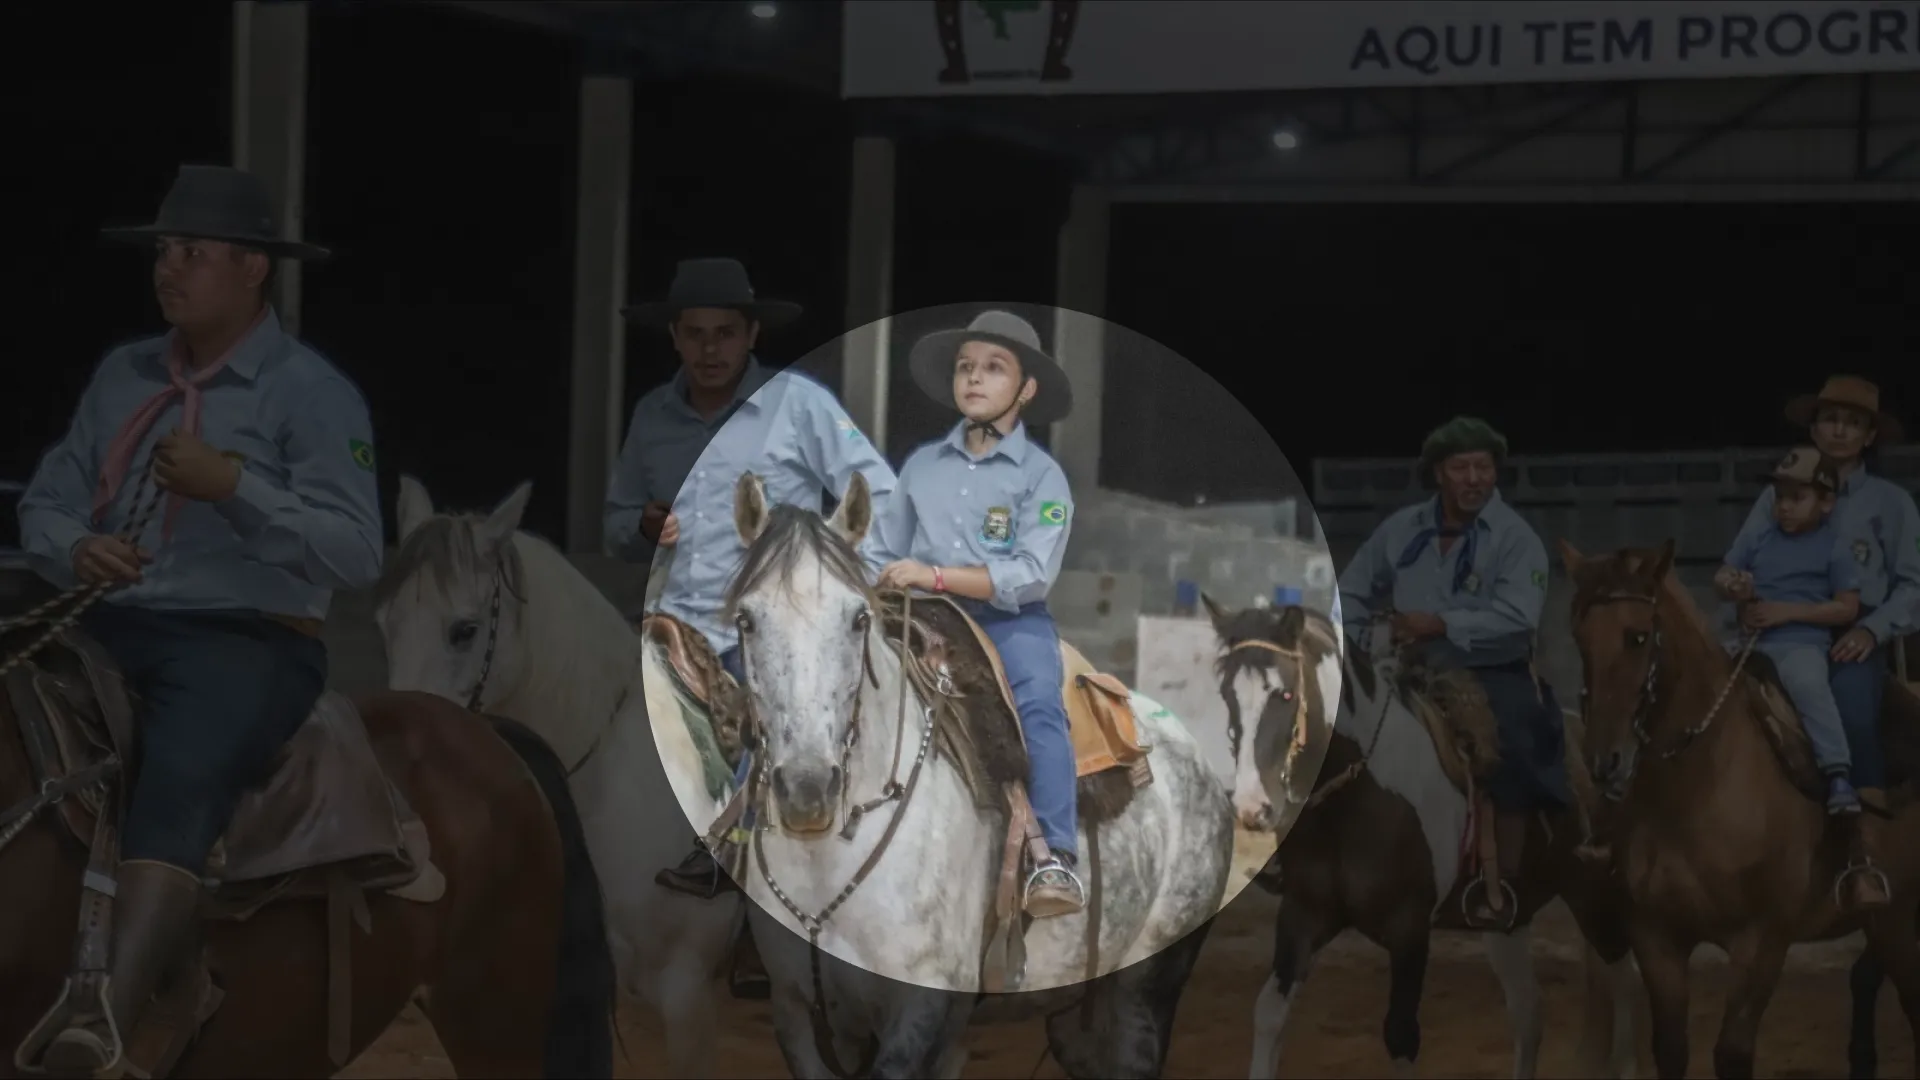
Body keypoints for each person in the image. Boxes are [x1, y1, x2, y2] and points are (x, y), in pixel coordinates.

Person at [15, 164, 382, 1076]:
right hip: (108, 618)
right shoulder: (122, 375)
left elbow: (357, 553)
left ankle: (108, 1015)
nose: (168, 269)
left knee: (182, 770)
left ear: (253, 268)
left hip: (246, 638)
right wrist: (75, 551)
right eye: (164, 251)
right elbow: (49, 501)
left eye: (193, 253)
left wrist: (238, 487)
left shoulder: (311, 393)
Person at [604, 257, 899, 899]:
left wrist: (845, 588)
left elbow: (878, 490)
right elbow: (616, 520)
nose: (710, 349)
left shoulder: (798, 405)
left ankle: (739, 853)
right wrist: (642, 528)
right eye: (696, 334)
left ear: (751, 336)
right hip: (672, 624)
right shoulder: (652, 416)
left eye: (726, 333)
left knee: (779, 727)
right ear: (676, 337)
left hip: (772, 628)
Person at [866, 309, 1084, 917]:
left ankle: (1054, 857)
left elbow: (1030, 573)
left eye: (994, 368)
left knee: (1040, 704)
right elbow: (881, 549)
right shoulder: (920, 466)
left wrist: (935, 574)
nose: (974, 379)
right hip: (919, 613)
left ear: (1027, 389)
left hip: (1006, 622)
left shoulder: (1044, 479)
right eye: (966, 368)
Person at [1336, 416, 1567, 928]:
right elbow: (1349, 594)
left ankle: (1501, 881)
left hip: (1488, 669)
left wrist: (1441, 623)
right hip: (1398, 666)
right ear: (1438, 472)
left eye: (1483, 467)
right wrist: (1359, 642)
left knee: (1510, 741)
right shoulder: (1401, 529)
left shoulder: (1516, 538)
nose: (1474, 478)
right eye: (1460, 467)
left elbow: (1517, 617)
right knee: (1329, 730)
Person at [1727, 375, 1920, 907]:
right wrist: (1743, 597)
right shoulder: (1777, 494)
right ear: (1814, 427)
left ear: (1868, 437)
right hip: (1774, 631)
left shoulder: (1891, 504)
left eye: (1852, 423)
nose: (1839, 430)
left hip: (1849, 636)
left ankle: (1865, 858)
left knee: (1854, 714)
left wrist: (1870, 629)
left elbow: (1914, 584)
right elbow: (1739, 559)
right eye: (1830, 419)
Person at [1716, 449, 1866, 818]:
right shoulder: (1761, 539)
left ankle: (1837, 773)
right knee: (1703, 680)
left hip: (1800, 644)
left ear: (1827, 502)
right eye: (1781, 497)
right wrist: (1734, 587)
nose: (1784, 506)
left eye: (1797, 498)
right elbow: (1723, 574)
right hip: (1750, 641)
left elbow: (1847, 607)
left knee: (1808, 686)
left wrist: (1788, 612)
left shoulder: (1834, 548)